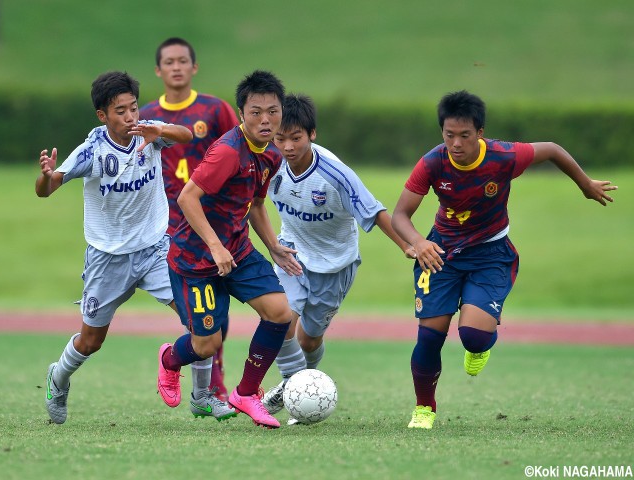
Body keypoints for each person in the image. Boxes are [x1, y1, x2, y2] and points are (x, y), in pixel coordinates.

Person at [390, 90, 618, 430]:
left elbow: (552, 150)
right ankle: (424, 408)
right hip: (441, 254)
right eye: (449, 135)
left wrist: (584, 184)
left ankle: (480, 344)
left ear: (480, 133)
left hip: (490, 254)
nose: (456, 143)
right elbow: (400, 216)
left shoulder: (503, 156)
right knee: (429, 337)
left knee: (474, 337)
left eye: (464, 135)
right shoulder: (433, 162)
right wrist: (419, 242)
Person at [36, 71, 216, 425]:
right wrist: (45, 174)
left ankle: (203, 397)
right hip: (108, 259)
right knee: (90, 342)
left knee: (200, 323)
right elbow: (47, 189)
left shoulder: (148, 131)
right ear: (103, 116)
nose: (131, 116)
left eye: (133, 108)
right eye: (121, 111)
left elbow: (187, 135)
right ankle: (58, 378)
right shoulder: (93, 150)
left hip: (156, 251)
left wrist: (160, 130)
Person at [156, 70, 303, 429]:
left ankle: (246, 394)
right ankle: (170, 360)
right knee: (206, 344)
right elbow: (187, 197)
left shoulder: (270, 155)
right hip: (196, 258)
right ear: (241, 113)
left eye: (272, 111)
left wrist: (274, 247)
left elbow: (254, 205)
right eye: (256, 112)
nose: (265, 119)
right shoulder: (226, 152)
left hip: (237, 250)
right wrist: (214, 246)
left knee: (280, 313)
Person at [260, 94, 415, 423]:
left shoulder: (335, 174)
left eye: (296, 138)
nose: (287, 146)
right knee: (281, 315)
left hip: (335, 266)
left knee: (310, 338)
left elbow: (374, 211)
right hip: (292, 253)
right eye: (280, 138)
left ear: (312, 134)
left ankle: (296, 384)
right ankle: (292, 386)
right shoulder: (267, 163)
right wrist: (272, 243)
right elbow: (249, 202)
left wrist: (406, 245)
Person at [140, 37, 239, 406]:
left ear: (194, 67)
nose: (177, 67)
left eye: (183, 60)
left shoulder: (215, 111)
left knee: (220, 310)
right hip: (170, 228)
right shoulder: (147, 114)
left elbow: (239, 152)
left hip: (214, 224)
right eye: (169, 62)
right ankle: (211, 387)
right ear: (159, 70)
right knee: (201, 312)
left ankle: (213, 381)